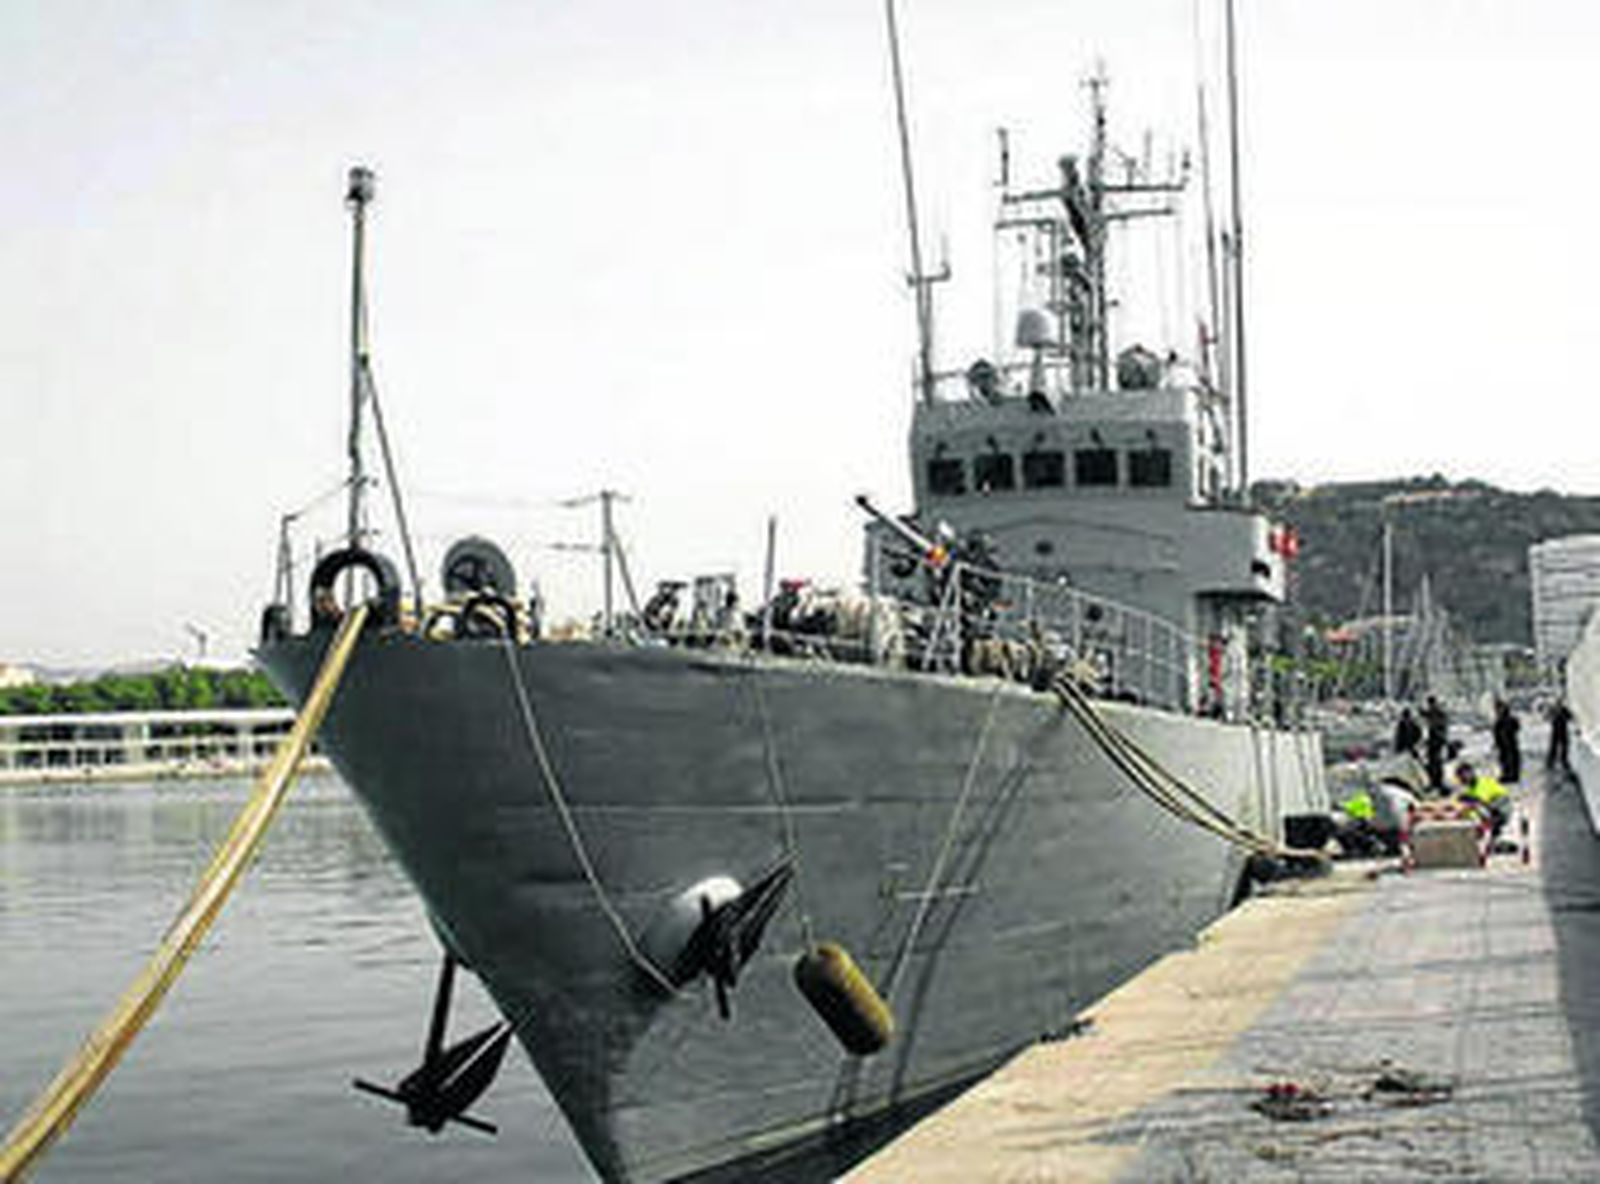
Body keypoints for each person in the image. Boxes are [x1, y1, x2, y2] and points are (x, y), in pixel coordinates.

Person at [1455, 761, 1511, 841]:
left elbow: (1483, 799)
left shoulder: (1483, 782)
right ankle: (1482, 830)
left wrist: (1471, 800)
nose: (1463, 779)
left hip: (1501, 806)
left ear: (1471, 773)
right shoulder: (1470, 790)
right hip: (1490, 809)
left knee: (1477, 806)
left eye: (1465, 775)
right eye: (1461, 777)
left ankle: (1490, 827)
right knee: (1470, 810)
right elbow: (1470, 807)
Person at [1423, 695, 1449, 792]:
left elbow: (1439, 725)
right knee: (1432, 762)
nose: (1430, 706)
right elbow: (1427, 715)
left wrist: (1440, 736)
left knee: (1436, 762)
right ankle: (1434, 782)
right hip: (1434, 740)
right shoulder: (1435, 712)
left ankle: (1437, 782)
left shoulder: (1438, 713)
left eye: (1430, 704)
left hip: (1437, 741)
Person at [1491, 699, 1521, 783]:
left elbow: (1516, 728)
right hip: (1505, 744)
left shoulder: (1507, 719)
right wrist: (1496, 743)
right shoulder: (1500, 720)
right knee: (1504, 759)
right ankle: (1508, 774)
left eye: (1498, 708)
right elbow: (1496, 733)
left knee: (1510, 758)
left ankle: (1511, 775)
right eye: (1496, 709)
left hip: (1510, 743)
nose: (1497, 711)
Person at [1547, 699, 1574, 775]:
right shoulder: (1555, 710)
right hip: (1557, 731)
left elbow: (1570, 717)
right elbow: (1548, 717)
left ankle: (1561, 761)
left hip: (1561, 731)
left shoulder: (1562, 710)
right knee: (1555, 747)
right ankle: (1552, 762)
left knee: (1562, 746)